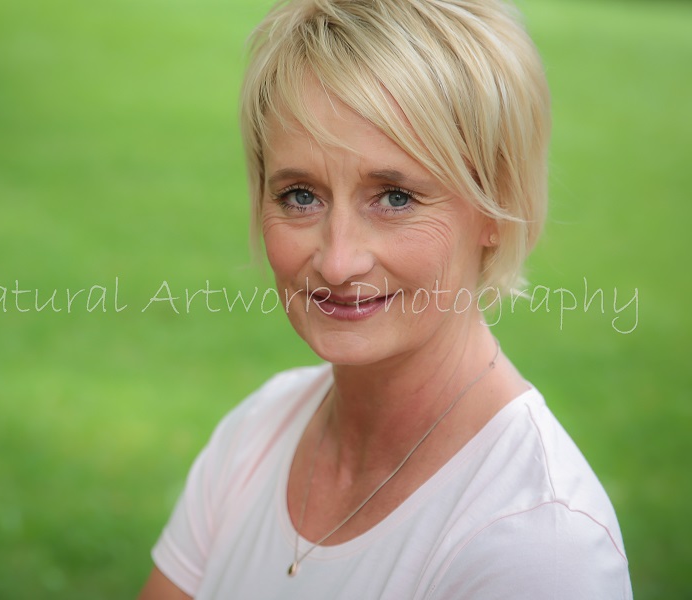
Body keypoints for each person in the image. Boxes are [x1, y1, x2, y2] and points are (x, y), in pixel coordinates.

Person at [139, 0, 632, 598]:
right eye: (301, 195)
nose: (338, 260)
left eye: (395, 197)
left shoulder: (539, 547)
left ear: (498, 207)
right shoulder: (259, 431)